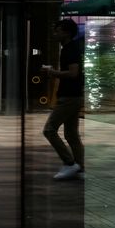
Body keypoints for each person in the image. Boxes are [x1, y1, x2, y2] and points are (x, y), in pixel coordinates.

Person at [42, 18, 84, 181]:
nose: (55, 33)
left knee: (49, 130)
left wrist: (53, 73)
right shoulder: (69, 48)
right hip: (73, 96)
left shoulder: (69, 49)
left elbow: (73, 73)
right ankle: (80, 168)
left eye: (58, 30)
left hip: (69, 97)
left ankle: (69, 163)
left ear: (66, 32)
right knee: (72, 134)